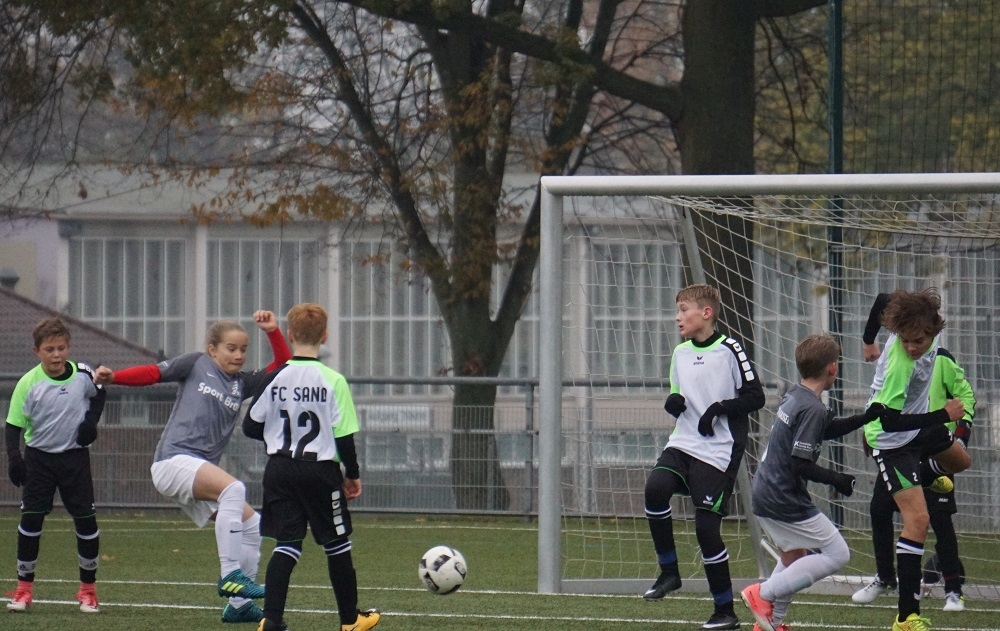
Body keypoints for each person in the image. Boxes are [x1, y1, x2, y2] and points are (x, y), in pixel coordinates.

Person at [94, 310, 291, 623]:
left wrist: (272, 331)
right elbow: (152, 373)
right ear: (212, 349)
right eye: (231, 348)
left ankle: (239, 606)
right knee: (233, 488)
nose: (238, 355)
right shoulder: (196, 363)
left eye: (243, 349)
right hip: (172, 461)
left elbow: (282, 366)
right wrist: (114, 377)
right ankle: (230, 574)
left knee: (253, 525)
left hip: (196, 469)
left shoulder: (242, 384)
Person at [242, 303, 380, 631]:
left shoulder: (274, 378)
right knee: (337, 543)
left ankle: (271, 620)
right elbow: (344, 436)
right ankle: (350, 620)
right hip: (320, 471)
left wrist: (278, 436)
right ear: (325, 336)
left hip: (279, 470)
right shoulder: (333, 380)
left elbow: (250, 426)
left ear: (290, 335)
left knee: (287, 545)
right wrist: (352, 475)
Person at [739, 334, 885, 631]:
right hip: (782, 496)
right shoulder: (813, 408)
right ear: (832, 367)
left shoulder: (797, 395)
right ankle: (762, 593)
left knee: (794, 556)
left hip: (766, 489)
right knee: (837, 553)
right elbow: (800, 463)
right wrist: (837, 479)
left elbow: (825, 430)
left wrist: (865, 418)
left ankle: (771, 622)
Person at [643, 284, 766, 631]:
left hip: (718, 451)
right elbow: (677, 395)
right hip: (683, 443)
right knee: (655, 489)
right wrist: (673, 403)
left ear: (706, 313)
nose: (678, 317)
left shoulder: (730, 349)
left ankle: (725, 612)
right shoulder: (680, 353)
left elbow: (756, 397)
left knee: (706, 529)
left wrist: (718, 409)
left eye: (684, 310)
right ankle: (669, 572)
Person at [852, 288, 972, 631]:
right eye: (904, 341)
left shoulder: (918, 323)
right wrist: (943, 414)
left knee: (961, 462)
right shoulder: (899, 367)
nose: (911, 347)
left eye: (917, 341)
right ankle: (906, 617)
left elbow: (883, 298)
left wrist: (868, 341)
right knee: (918, 520)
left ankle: (927, 473)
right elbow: (890, 421)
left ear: (933, 328)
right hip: (890, 440)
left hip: (918, 425)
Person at [5, 318, 107, 613]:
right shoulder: (28, 383)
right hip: (39, 459)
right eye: (49, 349)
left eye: (61, 348)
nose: (56, 355)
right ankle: (23, 591)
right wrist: (14, 457)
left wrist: (90, 422)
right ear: (37, 351)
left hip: (75, 459)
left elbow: (100, 392)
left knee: (86, 523)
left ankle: (88, 591)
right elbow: (13, 425)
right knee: (31, 522)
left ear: (68, 348)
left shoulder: (83, 374)